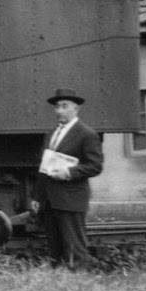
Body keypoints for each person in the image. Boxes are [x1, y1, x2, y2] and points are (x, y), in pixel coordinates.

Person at [28, 87, 104, 267]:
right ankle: (60, 281)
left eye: (64, 106)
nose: (59, 111)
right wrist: (37, 196)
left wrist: (69, 172)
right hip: (50, 199)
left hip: (71, 198)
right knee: (55, 248)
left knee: (75, 248)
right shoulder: (51, 134)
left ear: (76, 109)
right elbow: (44, 167)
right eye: (57, 107)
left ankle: (84, 280)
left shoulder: (87, 134)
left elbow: (95, 166)